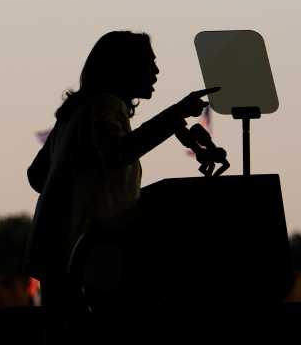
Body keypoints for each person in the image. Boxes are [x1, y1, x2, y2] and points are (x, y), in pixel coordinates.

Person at [25, 31, 218, 312]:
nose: (156, 71)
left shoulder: (75, 113)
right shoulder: (104, 106)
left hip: (55, 253)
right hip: (87, 257)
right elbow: (118, 154)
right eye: (149, 63)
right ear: (124, 68)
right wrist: (177, 113)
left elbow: (36, 176)